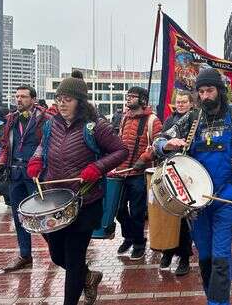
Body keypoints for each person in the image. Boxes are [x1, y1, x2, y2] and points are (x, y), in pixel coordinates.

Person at [154, 68, 232, 305]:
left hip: (227, 196)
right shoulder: (192, 119)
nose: (205, 96)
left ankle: (218, 303)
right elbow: (158, 141)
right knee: (205, 257)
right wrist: (166, 144)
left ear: (220, 91)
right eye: (201, 91)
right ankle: (212, 297)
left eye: (210, 90)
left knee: (221, 256)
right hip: (196, 203)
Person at [27, 71, 128, 304]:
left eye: (68, 99)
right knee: (56, 254)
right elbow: (43, 146)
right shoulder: (51, 124)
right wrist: (36, 160)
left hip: (83, 201)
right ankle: (89, 275)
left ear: (80, 102)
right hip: (53, 200)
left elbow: (120, 151)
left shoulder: (96, 126)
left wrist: (97, 167)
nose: (62, 103)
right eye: (59, 98)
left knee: (73, 258)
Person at [0, 85, 53, 272]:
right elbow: (6, 145)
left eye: (23, 96)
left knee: (42, 216)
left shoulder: (46, 119)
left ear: (34, 99)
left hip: (36, 174)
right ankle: (25, 254)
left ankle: (56, 248)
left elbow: (50, 145)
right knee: (19, 216)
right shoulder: (11, 119)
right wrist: (2, 162)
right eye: (17, 96)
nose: (19, 99)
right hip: (15, 172)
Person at [112, 86, 162, 260]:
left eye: (132, 96)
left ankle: (139, 243)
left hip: (140, 174)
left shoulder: (152, 120)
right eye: (128, 96)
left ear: (142, 100)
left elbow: (157, 144)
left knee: (137, 212)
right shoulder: (124, 118)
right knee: (117, 209)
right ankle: (129, 236)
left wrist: (144, 158)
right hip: (121, 172)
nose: (128, 99)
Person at [159, 90, 195, 275]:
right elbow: (161, 142)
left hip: (187, 172)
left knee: (183, 220)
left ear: (190, 103)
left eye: (183, 102)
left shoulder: (195, 120)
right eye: (178, 102)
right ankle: (167, 250)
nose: (180, 104)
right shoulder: (169, 121)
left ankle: (184, 257)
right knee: (168, 216)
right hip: (170, 170)